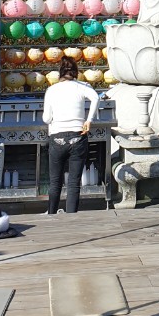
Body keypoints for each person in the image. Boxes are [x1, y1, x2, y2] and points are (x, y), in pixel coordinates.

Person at [41, 55, 100, 215]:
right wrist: (89, 120)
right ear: (75, 72)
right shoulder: (82, 86)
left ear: (60, 72)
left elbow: (46, 118)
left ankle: (52, 214)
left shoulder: (52, 90)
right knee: (74, 183)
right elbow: (95, 97)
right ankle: (71, 217)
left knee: (55, 182)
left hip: (57, 138)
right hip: (78, 136)